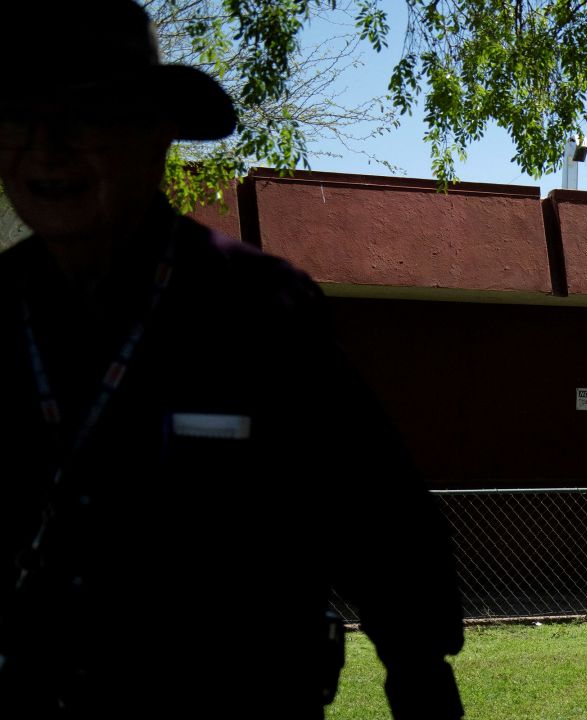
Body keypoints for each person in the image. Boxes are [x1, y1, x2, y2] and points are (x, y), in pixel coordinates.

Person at [0, 2, 464, 718]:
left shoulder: (261, 309)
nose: (45, 149)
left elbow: (377, 512)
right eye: (18, 119)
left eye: (83, 117)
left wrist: (420, 673)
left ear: (156, 134)